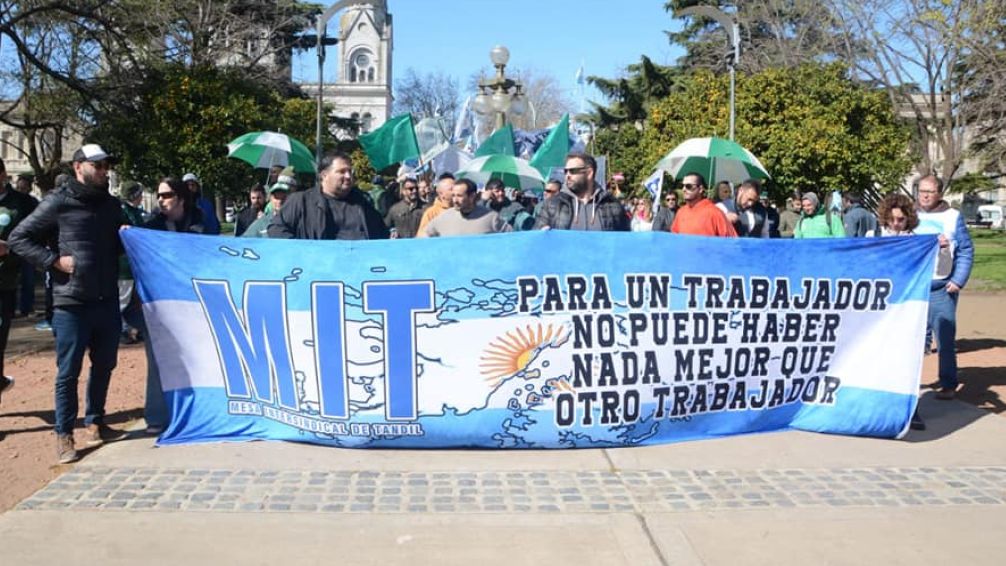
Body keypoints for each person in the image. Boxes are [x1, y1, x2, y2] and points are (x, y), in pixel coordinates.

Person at [9, 144, 127, 463]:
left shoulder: (111, 205)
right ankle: (64, 434)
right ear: (78, 167)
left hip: (106, 299)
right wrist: (53, 261)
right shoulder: (58, 202)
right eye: (97, 165)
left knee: (105, 364)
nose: (104, 171)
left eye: (106, 166)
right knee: (68, 372)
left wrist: (127, 235)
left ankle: (96, 421)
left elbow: (117, 245)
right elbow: (19, 238)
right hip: (71, 303)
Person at [137, 177, 206, 433]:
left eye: (166, 195)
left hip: (192, 301)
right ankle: (156, 416)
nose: (161, 200)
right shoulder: (150, 226)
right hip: (159, 302)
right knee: (158, 358)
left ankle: (197, 411)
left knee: (196, 356)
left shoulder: (199, 221)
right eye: (159, 195)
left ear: (181, 198)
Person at [915, 175, 973, 400]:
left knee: (945, 340)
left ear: (939, 193)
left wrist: (958, 280)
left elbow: (966, 250)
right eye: (921, 191)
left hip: (941, 288)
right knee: (913, 340)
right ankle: (910, 383)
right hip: (915, 287)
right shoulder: (910, 215)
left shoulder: (952, 216)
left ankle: (948, 384)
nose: (925, 196)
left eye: (930, 191)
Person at [872, 192, 926, 431]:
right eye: (892, 219)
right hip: (880, 307)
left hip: (906, 307)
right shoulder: (874, 237)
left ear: (908, 219)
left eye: (901, 220)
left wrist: (942, 247)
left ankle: (910, 409)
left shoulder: (917, 242)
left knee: (907, 358)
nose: (895, 224)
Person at [268, 151, 389, 240]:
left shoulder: (363, 204)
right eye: (342, 171)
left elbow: (382, 235)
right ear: (324, 175)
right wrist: (301, 252)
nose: (348, 176)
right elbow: (276, 229)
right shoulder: (301, 202)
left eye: (350, 172)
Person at [0, 158, 39, 406]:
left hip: (5, 282)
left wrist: (9, 249)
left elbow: (34, 239)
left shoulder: (23, 204)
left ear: (3, 175)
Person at [534, 153, 629, 231]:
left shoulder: (612, 205)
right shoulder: (552, 205)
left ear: (589, 173)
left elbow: (625, 242)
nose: (567, 175)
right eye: (566, 171)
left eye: (573, 171)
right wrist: (541, 234)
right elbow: (535, 236)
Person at [420, 178, 511, 237]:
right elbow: (423, 237)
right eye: (453, 195)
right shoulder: (444, 217)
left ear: (472, 196)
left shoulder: (491, 217)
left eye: (459, 196)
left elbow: (512, 238)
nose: (455, 200)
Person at [670, 173, 737, 237]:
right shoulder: (681, 212)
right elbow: (674, 238)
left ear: (700, 189)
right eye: (682, 186)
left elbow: (732, 240)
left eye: (688, 186)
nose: (684, 189)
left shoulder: (715, 213)